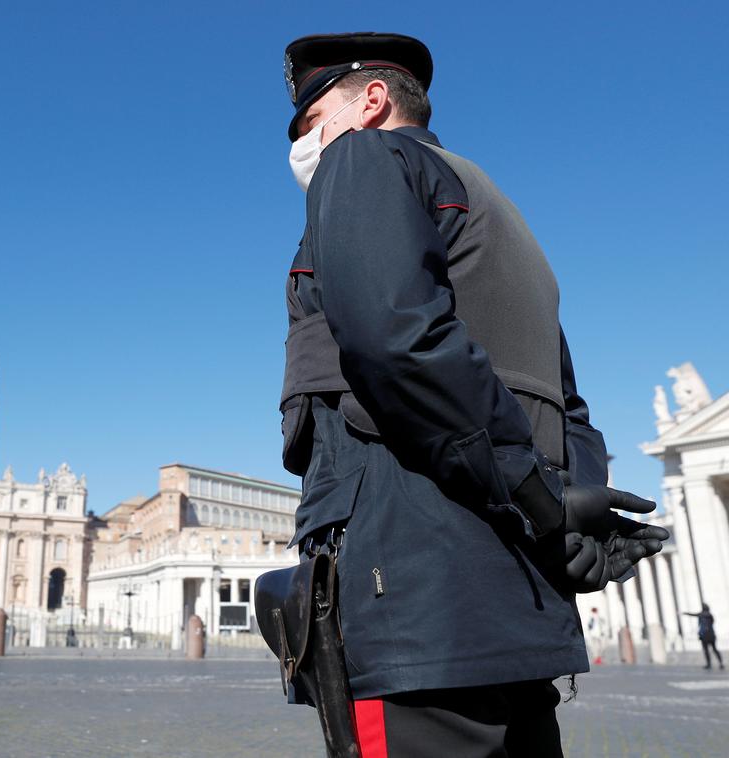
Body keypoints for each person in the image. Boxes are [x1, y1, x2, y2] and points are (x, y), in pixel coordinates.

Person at [274, 32, 670, 755]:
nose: (302, 142)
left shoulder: (365, 159)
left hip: (413, 594)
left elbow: (397, 340)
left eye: (308, 120)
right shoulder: (505, 220)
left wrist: (538, 500)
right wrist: (566, 519)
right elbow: (570, 411)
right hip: (517, 605)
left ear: (369, 102)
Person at [684, 603, 724, 670]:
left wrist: (685, 613)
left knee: (706, 650)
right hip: (712, 635)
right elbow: (712, 623)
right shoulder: (710, 615)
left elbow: (693, 615)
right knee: (714, 649)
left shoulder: (701, 615)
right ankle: (720, 663)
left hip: (704, 636)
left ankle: (709, 664)